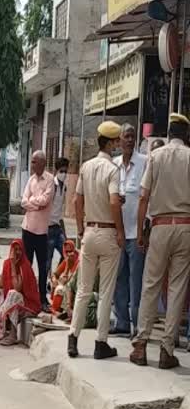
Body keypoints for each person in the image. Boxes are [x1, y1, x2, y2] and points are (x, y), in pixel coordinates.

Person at [130, 113, 190, 370]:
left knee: (150, 284)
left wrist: (141, 230)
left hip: (160, 226)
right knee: (177, 288)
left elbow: (143, 197)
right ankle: (167, 349)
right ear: (186, 135)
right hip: (186, 227)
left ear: (168, 134)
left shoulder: (156, 156)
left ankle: (141, 345)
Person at [68, 121, 124, 360]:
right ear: (111, 143)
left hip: (89, 232)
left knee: (83, 289)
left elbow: (76, 201)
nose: (119, 145)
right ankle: (101, 343)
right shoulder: (113, 169)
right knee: (105, 292)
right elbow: (114, 202)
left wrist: (80, 227)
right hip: (108, 232)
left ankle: (73, 338)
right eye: (117, 141)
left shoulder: (86, 166)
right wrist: (120, 231)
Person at [112, 124, 147, 337]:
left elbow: (147, 196)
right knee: (119, 279)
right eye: (126, 136)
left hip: (137, 234)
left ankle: (137, 326)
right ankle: (122, 322)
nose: (130, 140)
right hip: (118, 233)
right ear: (119, 140)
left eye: (133, 137)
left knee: (137, 281)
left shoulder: (144, 162)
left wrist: (147, 227)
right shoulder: (113, 165)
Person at [0, 239, 41, 345]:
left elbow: (17, 288)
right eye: (15, 250)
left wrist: (13, 267)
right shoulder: (7, 264)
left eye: (20, 250)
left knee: (13, 294)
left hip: (28, 304)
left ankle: (13, 334)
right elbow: (0, 284)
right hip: (13, 302)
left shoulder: (24, 266)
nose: (18, 252)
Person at [21, 150, 55, 311]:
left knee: (43, 267)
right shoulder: (31, 180)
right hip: (27, 229)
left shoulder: (50, 180)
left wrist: (32, 202)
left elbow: (46, 201)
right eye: (32, 161)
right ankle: (27, 297)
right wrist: (36, 203)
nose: (32, 164)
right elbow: (23, 201)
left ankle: (42, 299)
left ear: (42, 162)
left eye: (34, 161)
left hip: (41, 231)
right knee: (27, 265)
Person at [46, 158, 69, 276]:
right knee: (47, 260)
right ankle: (45, 285)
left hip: (58, 228)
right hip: (48, 228)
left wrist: (65, 234)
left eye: (66, 171)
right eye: (62, 171)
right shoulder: (52, 185)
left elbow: (60, 213)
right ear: (56, 171)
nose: (64, 174)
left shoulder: (64, 187)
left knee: (68, 254)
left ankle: (56, 276)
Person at [50, 240, 80, 319]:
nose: (69, 254)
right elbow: (55, 274)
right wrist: (54, 280)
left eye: (70, 251)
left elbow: (66, 281)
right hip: (69, 286)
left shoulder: (78, 261)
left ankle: (65, 309)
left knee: (60, 288)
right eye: (66, 252)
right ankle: (59, 310)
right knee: (58, 285)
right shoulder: (66, 260)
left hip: (75, 287)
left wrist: (67, 267)